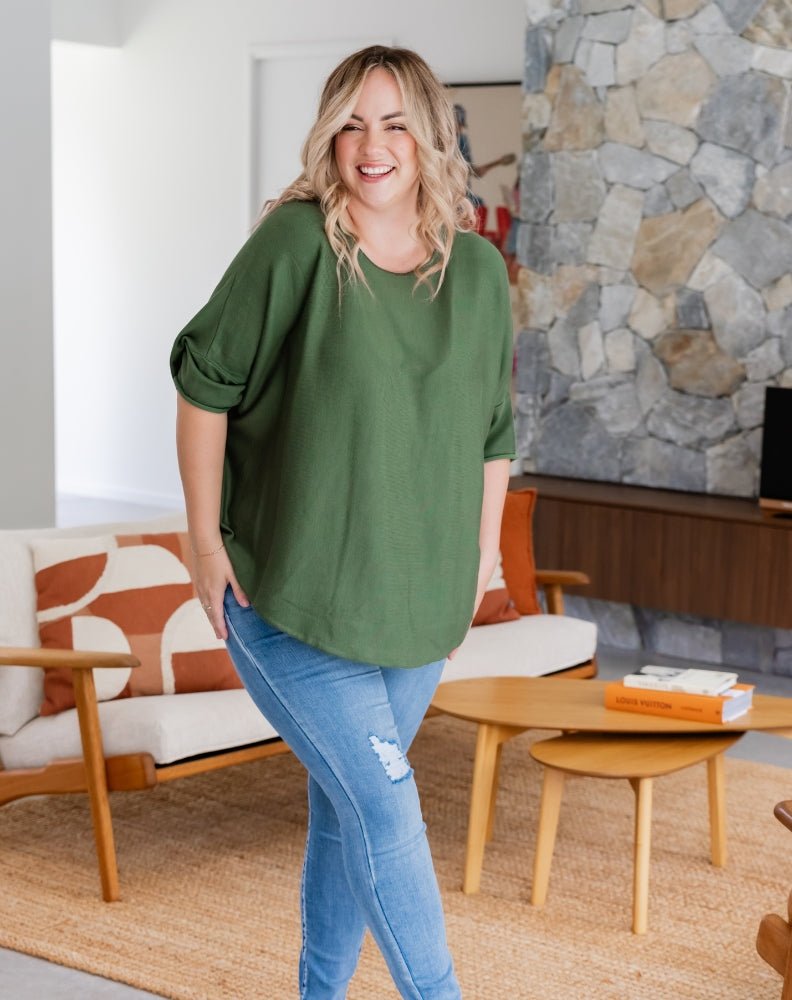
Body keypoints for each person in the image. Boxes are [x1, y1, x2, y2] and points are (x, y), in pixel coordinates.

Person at [170, 44, 516, 1000]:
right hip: (287, 595)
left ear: (432, 136)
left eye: (396, 123)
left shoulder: (479, 272)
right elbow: (204, 385)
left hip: (416, 609)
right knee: (389, 809)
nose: (373, 145)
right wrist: (202, 543)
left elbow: (493, 431)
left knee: (349, 811)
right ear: (328, 136)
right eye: (353, 124)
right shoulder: (295, 245)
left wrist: (481, 558)